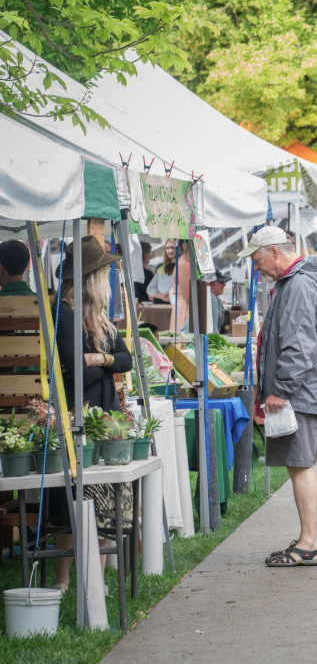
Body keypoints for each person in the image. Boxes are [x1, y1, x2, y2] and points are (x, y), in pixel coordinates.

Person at [242, 226, 317, 567]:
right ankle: (307, 539)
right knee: (301, 464)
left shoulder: (297, 284)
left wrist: (281, 390)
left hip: (301, 392)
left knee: (301, 465)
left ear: (273, 252)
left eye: (257, 261)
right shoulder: (299, 281)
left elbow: (297, 345)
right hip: (306, 389)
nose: (257, 269)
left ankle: (309, 544)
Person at [50, 236, 134, 590]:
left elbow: (127, 359)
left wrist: (101, 358)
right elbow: (76, 372)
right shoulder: (63, 314)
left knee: (102, 505)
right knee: (73, 506)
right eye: (105, 271)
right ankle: (64, 581)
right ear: (92, 277)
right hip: (79, 417)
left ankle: (95, 583)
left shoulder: (98, 318)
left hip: (105, 417)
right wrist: (108, 364)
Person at [148, 239, 177, 304]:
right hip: (161, 303)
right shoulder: (160, 266)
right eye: (167, 248)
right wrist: (160, 296)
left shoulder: (182, 265)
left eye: (172, 247)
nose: (170, 251)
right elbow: (151, 290)